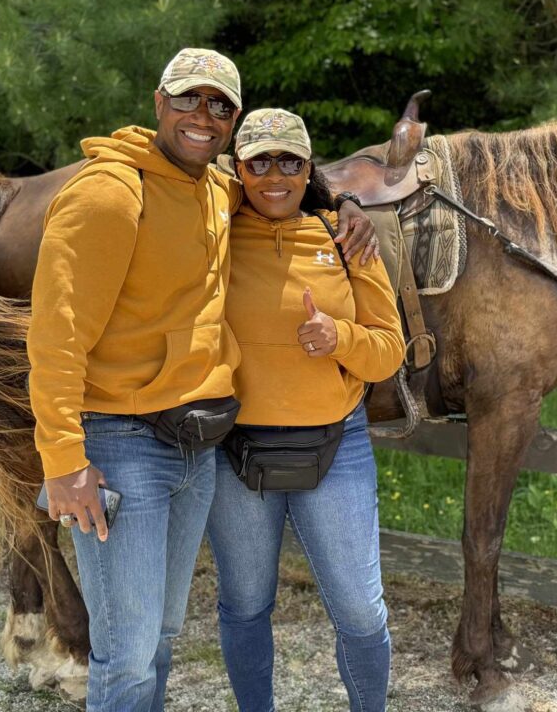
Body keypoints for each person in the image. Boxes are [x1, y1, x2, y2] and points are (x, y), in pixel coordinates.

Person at [28, 50, 375, 711]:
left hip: (196, 446)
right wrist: (63, 460)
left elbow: (283, 182)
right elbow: (55, 335)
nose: (203, 115)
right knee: (126, 652)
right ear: (159, 102)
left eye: (220, 105)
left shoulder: (217, 191)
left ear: (232, 121)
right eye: (189, 98)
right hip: (121, 445)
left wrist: (346, 202)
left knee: (159, 635)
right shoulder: (109, 195)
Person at [206, 108, 404, 712]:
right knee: (244, 605)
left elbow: (390, 352)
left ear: (307, 167)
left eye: (289, 161)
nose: (274, 175)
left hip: (335, 446)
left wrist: (339, 338)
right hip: (236, 452)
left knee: (359, 608)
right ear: (237, 169)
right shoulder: (210, 232)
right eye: (258, 162)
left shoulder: (346, 239)